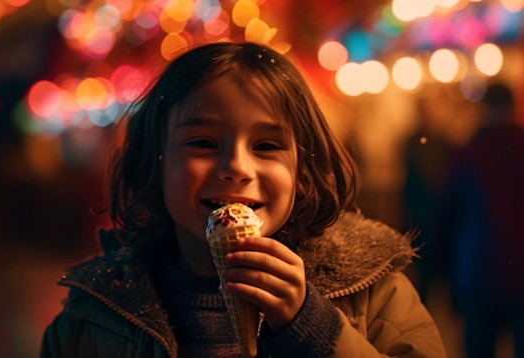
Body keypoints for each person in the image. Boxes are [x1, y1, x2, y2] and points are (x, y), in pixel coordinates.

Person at [40, 42, 447, 357]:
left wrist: (315, 331)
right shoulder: (92, 318)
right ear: (155, 162)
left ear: (301, 172)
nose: (236, 166)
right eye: (202, 142)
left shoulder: (374, 294)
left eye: (267, 145)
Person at [433, 82, 524, 358]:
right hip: (520, 274)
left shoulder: (471, 153)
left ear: (484, 109)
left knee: (479, 348)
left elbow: (447, 212)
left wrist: (438, 267)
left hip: (481, 271)